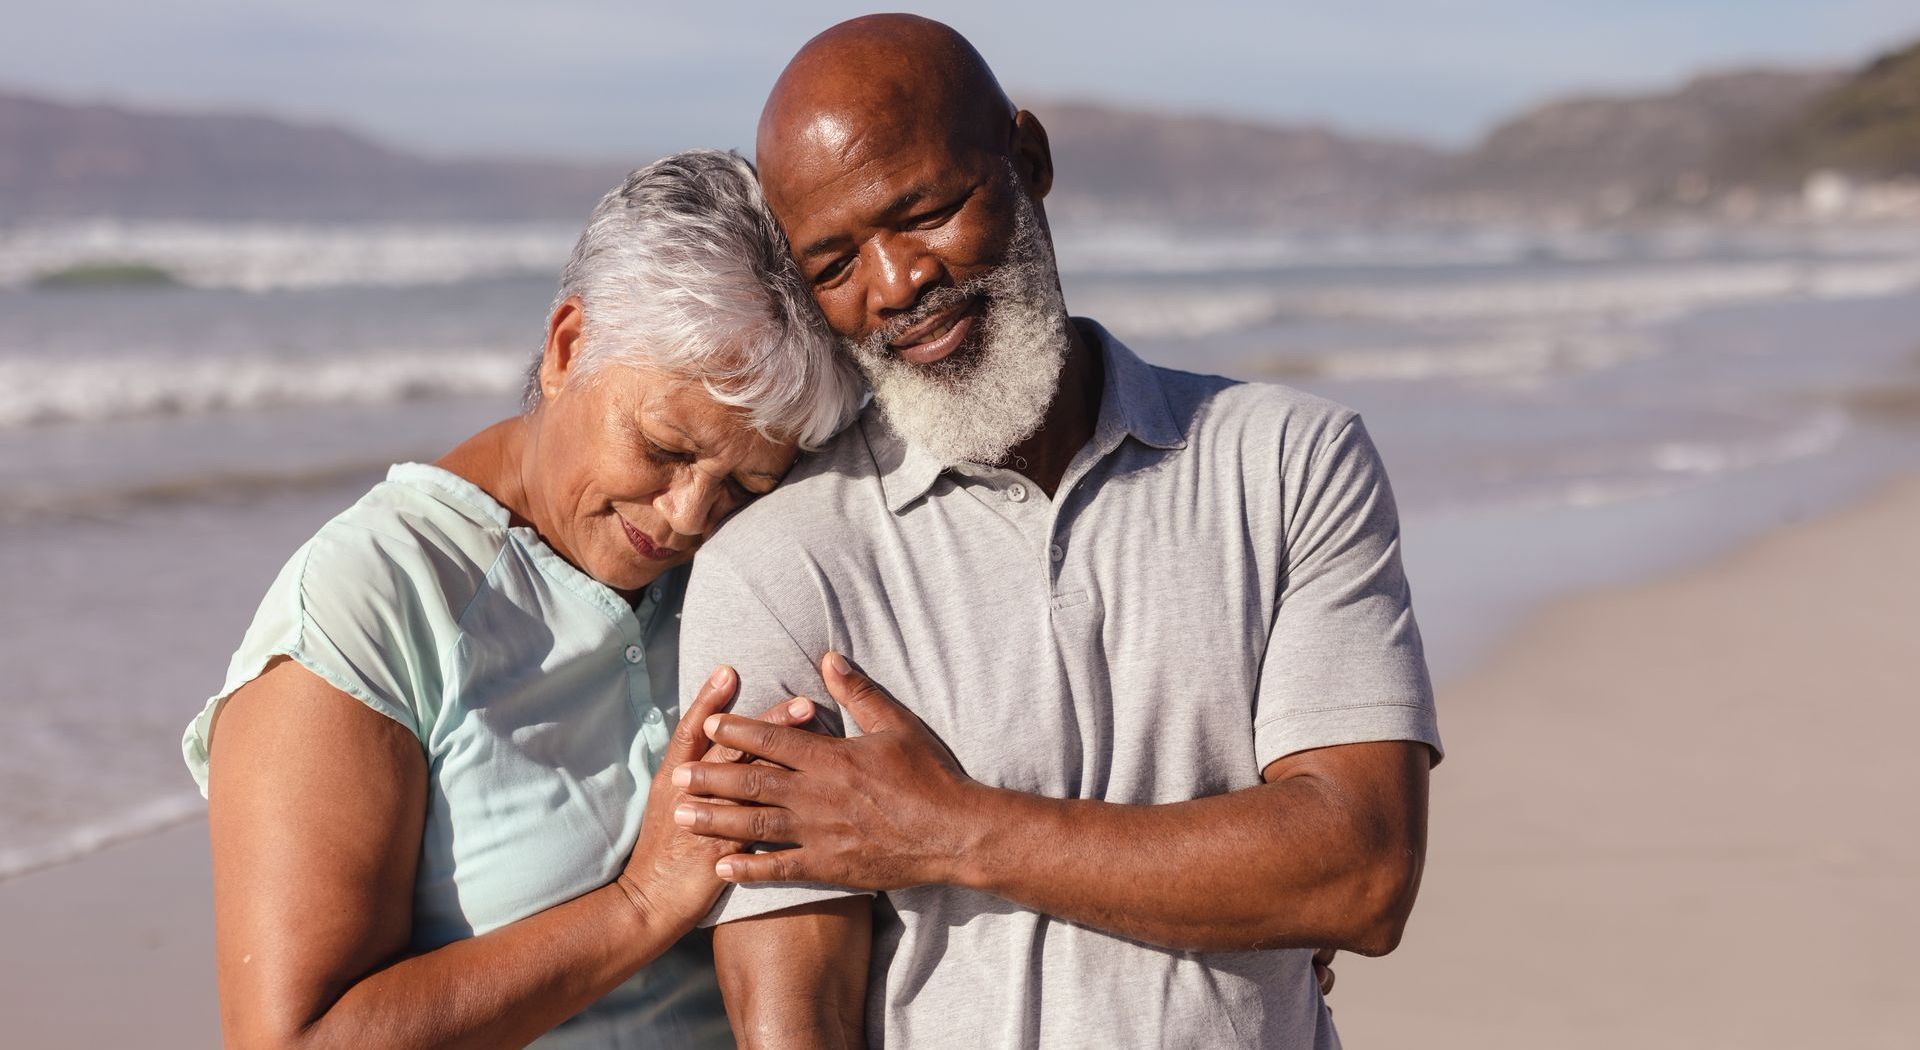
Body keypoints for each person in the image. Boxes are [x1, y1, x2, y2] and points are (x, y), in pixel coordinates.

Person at [670, 16, 1444, 1049]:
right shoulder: (775, 570)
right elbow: (793, 1017)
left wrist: (945, 830)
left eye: (929, 210)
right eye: (835, 262)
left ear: (1028, 162)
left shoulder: (1286, 462)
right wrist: (1234, 859)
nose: (898, 283)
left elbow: (1362, 871)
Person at [179, 150, 863, 1048]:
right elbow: (292, 1039)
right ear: (566, 348)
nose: (689, 514)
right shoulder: (370, 600)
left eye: (747, 482)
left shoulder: (740, 564)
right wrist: (640, 903)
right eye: (665, 447)